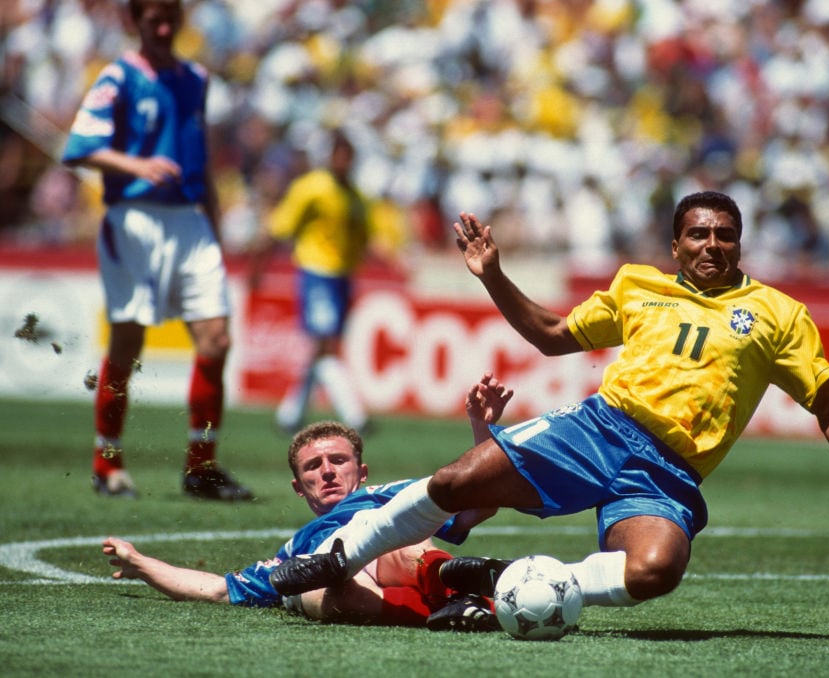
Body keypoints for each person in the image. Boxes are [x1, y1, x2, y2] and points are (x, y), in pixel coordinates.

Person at [269, 190, 829, 618]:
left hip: (669, 472)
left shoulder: (779, 314)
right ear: (675, 246)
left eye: (725, 236)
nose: (713, 245)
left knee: (656, 570)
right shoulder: (637, 286)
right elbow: (550, 336)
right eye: (699, 234)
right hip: (600, 429)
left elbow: (826, 397)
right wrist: (491, 273)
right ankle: (333, 560)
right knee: (457, 480)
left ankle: (526, 585)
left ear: (741, 244)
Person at [102, 372, 514, 630]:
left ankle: (451, 579)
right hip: (337, 576)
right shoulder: (294, 549)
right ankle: (459, 609)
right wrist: (140, 564)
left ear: (362, 472)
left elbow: (479, 500)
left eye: (338, 460)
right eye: (313, 467)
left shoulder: (382, 495)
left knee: (396, 534)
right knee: (317, 591)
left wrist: (481, 428)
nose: (328, 471)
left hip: (393, 548)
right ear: (300, 488)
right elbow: (216, 590)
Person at [61, 0, 249, 500]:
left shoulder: (195, 78)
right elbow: (77, 147)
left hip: (190, 220)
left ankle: (201, 465)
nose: (164, 28)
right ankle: (107, 461)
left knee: (217, 339)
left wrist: (214, 224)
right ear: (134, 21)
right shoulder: (118, 78)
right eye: (153, 19)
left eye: (171, 18)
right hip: (134, 219)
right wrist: (136, 166)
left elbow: (200, 156)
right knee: (128, 341)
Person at [248, 130, 370, 435]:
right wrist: (258, 267)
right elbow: (279, 227)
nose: (344, 162)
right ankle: (354, 414)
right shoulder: (311, 189)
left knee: (323, 349)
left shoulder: (355, 196)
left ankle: (290, 414)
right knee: (324, 343)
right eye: (339, 155)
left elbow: (364, 239)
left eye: (348, 156)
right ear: (330, 157)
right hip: (316, 272)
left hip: (342, 277)